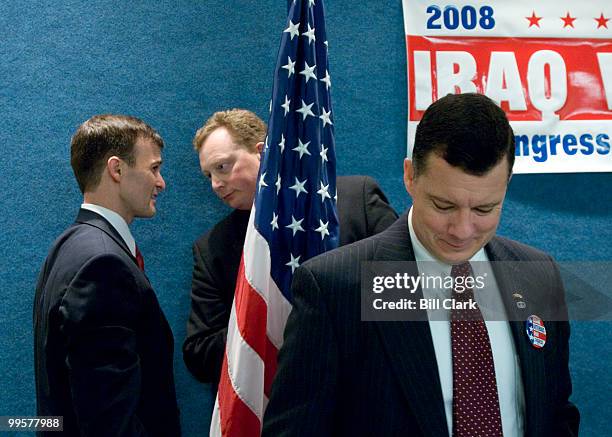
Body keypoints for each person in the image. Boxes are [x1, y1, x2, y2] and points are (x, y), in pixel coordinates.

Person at [262, 94, 580, 436]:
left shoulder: (537, 273)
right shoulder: (335, 287)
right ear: (410, 176)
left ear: (507, 186)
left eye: (484, 210)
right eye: (443, 206)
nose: (462, 230)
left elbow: (555, 411)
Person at [182, 109, 398, 385]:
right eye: (208, 174)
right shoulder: (213, 248)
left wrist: (330, 313)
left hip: (367, 389)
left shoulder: (356, 200)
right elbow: (199, 354)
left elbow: (408, 294)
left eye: (222, 167)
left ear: (263, 153)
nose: (215, 184)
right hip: (277, 407)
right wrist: (267, 318)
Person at [33, 115, 180, 436]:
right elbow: (109, 421)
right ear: (116, 169)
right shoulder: (103, 263)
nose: (161, 182)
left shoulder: (68, 246)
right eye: (154, 168)